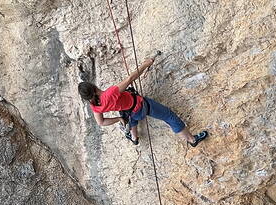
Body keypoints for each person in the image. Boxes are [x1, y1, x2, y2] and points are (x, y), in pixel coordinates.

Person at [78, 54, 208, 147]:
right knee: (168, 115)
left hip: (128, 112)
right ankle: (192, 140)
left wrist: (118, 119)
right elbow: (130, 79)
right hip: (140, 106)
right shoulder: (110, 94)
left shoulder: (94, 106)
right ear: (93, 86)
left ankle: (134, 138)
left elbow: (101, 122)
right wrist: (146, 64)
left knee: (131, 119)